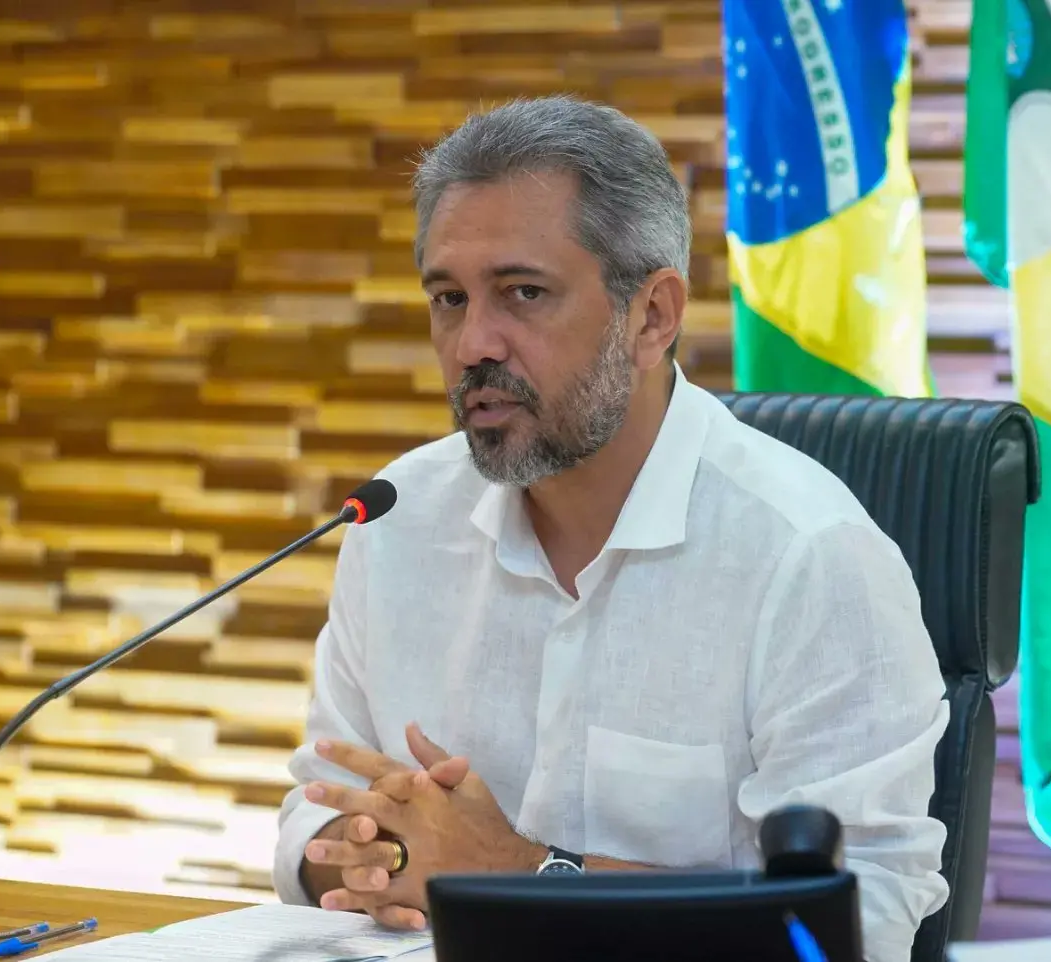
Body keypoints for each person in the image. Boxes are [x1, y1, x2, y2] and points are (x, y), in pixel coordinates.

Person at [272, 95, 949, 962]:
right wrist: (365, 857)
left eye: (523, 293)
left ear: (653, 316)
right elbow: (312, 814)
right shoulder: (397, 517)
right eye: (449, 297)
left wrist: (518, 874)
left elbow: (855, 926)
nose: (475, 342)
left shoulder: (808, 555)